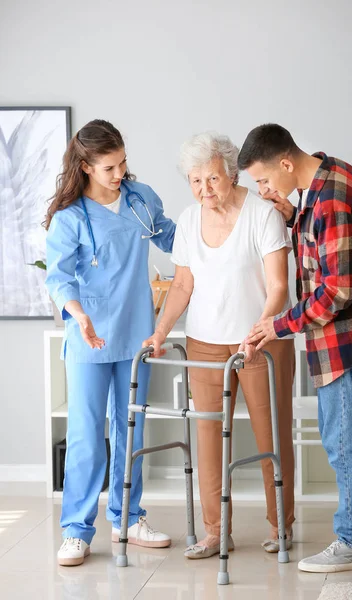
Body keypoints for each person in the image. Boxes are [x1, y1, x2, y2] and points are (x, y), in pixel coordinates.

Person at [238, 123, 352, 573]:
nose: (264, 189)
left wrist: (279, 324)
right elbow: (327, 246)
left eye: (265, 180)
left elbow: (336, 291)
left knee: (342, 443)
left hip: (346, 341)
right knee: (347, 440)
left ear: (286, 163)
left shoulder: (330, 198)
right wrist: (290, 214)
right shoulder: (330, 177)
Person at [143, 132, 295, 559]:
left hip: (261, 341)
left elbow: (279, 285)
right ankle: (215, 532)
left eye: (211, 178)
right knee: (208, 437)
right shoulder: (189, 220)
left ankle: (280, 526)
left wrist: (262, 328)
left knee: (273, 434)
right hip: (205, 343)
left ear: (230, 172)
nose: (204, 189)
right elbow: (182, 286)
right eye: (195, 181)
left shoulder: (263, 214)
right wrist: (160, 331)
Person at [45, 119, 176, 566]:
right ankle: (76, 530)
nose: (119, 174)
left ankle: (128, 517)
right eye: (108, 168)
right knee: (85, 435)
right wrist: (78, 314)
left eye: (122, 163)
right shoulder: (70, 219)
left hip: (138, 332)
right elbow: (59, 277)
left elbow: (177, 238)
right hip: (90, 338)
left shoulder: (141, 200)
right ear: (85, 167)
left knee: (131, 430)